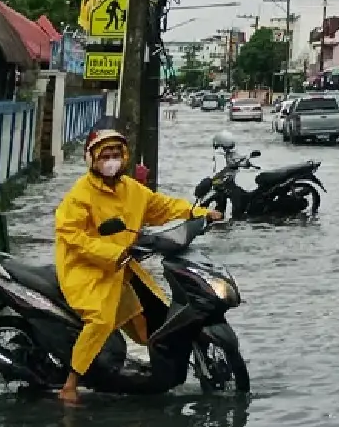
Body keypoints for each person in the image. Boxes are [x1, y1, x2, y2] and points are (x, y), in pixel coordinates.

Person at [53, 128, 219, 405]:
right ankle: (70, 385)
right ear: (92, 159)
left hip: (122, 265)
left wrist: (199, 213)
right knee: (101, 320)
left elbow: (162, 207)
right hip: (86, 270)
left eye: (116, 154)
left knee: (155, 318)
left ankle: (149, 373)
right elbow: (72, 237)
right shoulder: (80, 195)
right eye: (104, 155)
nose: (111, 160)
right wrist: (111, 252)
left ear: (125, 157)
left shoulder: (132, 190)